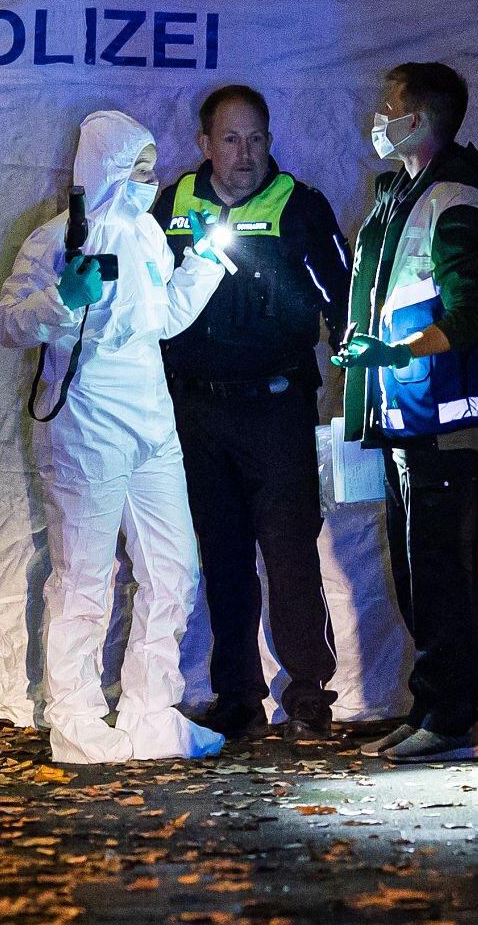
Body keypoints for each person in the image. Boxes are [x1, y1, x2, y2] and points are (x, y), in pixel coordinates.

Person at [0, 110, 229, 765]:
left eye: (153, 169)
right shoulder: (55, 239)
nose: (150, 182)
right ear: (106, 168)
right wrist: (63, 299)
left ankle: (152, 712)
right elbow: (9, 323)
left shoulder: (148, 235)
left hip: (151, 420)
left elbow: (165, 319)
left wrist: (203, 263)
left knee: (173, 568)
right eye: (138, 169)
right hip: (85, 424)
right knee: (84, 577)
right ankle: (74, 718)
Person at [152, 85, 352, 742]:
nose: (246, 154)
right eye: (232, 139)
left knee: (289, 552)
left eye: (257, 138)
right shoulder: (174, 205)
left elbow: (343, 297)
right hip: (198, 410)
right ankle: (237, 697)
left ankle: (310, 695)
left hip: (276, 410)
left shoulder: (300, 205)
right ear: (204, 144)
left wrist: (353, 368)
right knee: (224, 557)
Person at [334, 62, 478, 765]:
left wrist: (392, 350)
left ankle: (450, 719)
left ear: (419, 119)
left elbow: (471, 313)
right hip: (407, 415)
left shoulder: (456, 201)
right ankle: (431, 709)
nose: (378, 118)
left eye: (389, 107)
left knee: (440, 570)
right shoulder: (403, 196)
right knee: (417, 572)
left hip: (443, 421)